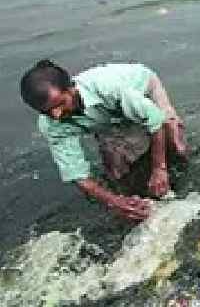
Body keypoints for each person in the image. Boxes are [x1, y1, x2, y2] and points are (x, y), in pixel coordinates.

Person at [19, 60, 188, 222]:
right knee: (118, 173)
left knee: (174, 145)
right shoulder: (51, 124)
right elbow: (78, 175)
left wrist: (159, 169)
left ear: (71, 88)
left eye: (61, 104)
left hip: (141, 88)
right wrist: (115, 202)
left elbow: (156, 121)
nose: (57, 115)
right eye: (48, 111)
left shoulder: (108, 87)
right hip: (102, 119)